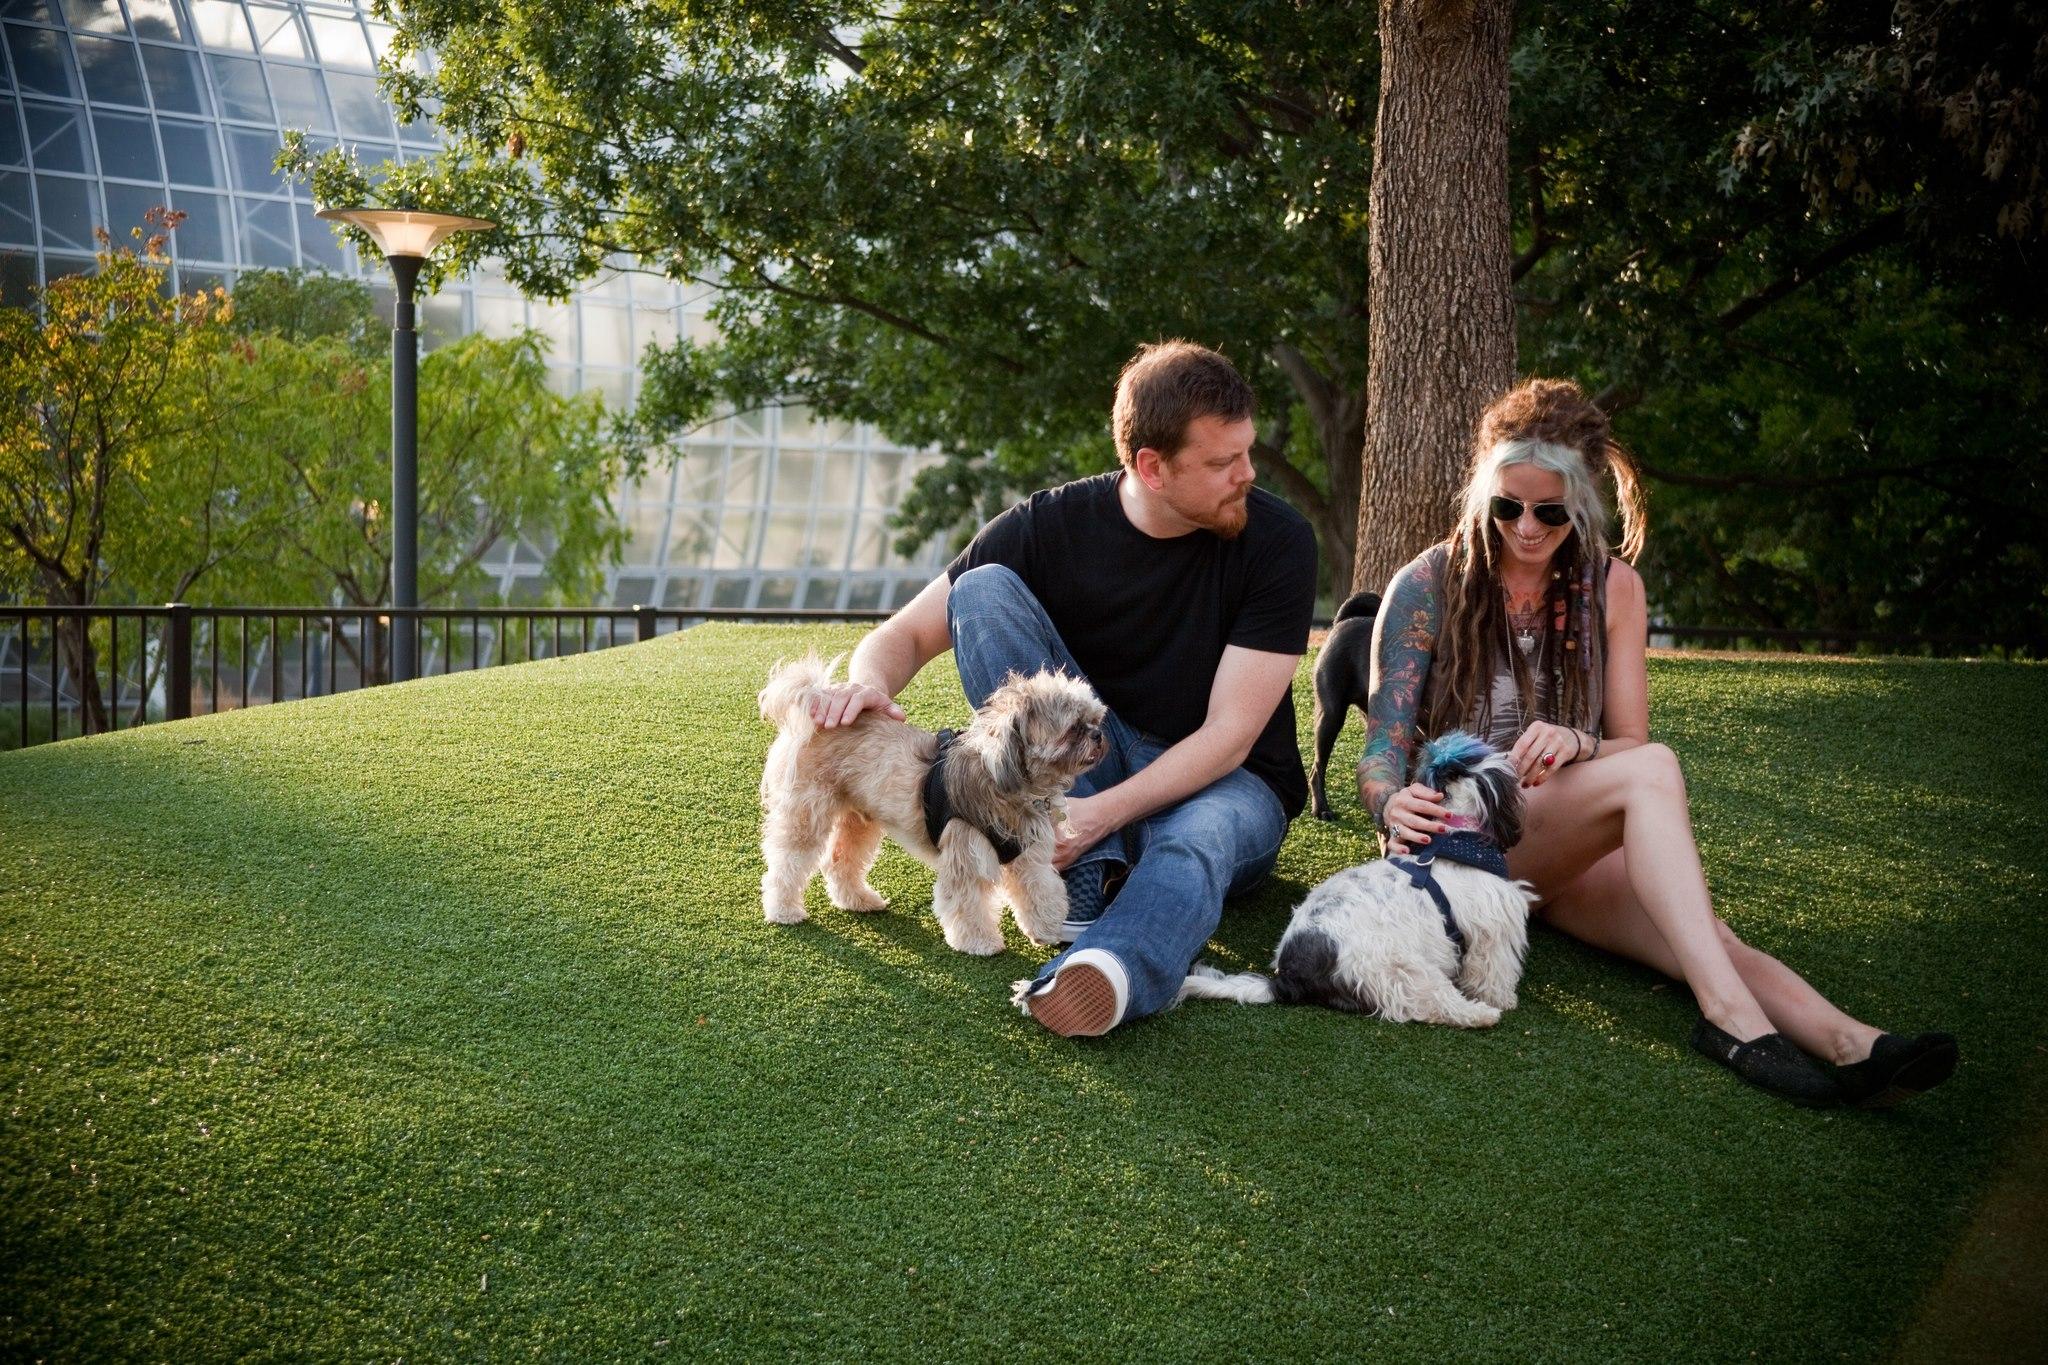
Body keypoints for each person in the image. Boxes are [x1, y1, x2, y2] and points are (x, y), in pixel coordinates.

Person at [1357, 377, 1956, 1108]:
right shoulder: (1428, 582)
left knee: (1705, 935)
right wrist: (1390, 803)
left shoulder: (1614, 590)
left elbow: (1626, 740)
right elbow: (1382, 749)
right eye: (1508, 505)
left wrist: (1578, 742)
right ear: (1485, 492)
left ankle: (1854, 1043)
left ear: (1580, 505)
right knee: (1654, 772)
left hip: (1557, 847)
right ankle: (1731, 1022)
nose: (1526, 527)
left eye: (1550, 511)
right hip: (1458, 844)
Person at [804, 340, 1317, 1036]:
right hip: (1086, 761)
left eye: (1247, 452)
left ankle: (1108, 966)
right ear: (1151, 467)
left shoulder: (1279, 540)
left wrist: (1102, 811)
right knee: (982, 591)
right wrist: (865, 686)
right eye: (1223, 462)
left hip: (1227, 783)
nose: (1247, 475)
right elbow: (904, 635)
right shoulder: (1049, 524)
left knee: (1195, 840)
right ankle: (1084, 880)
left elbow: (1230, 735)